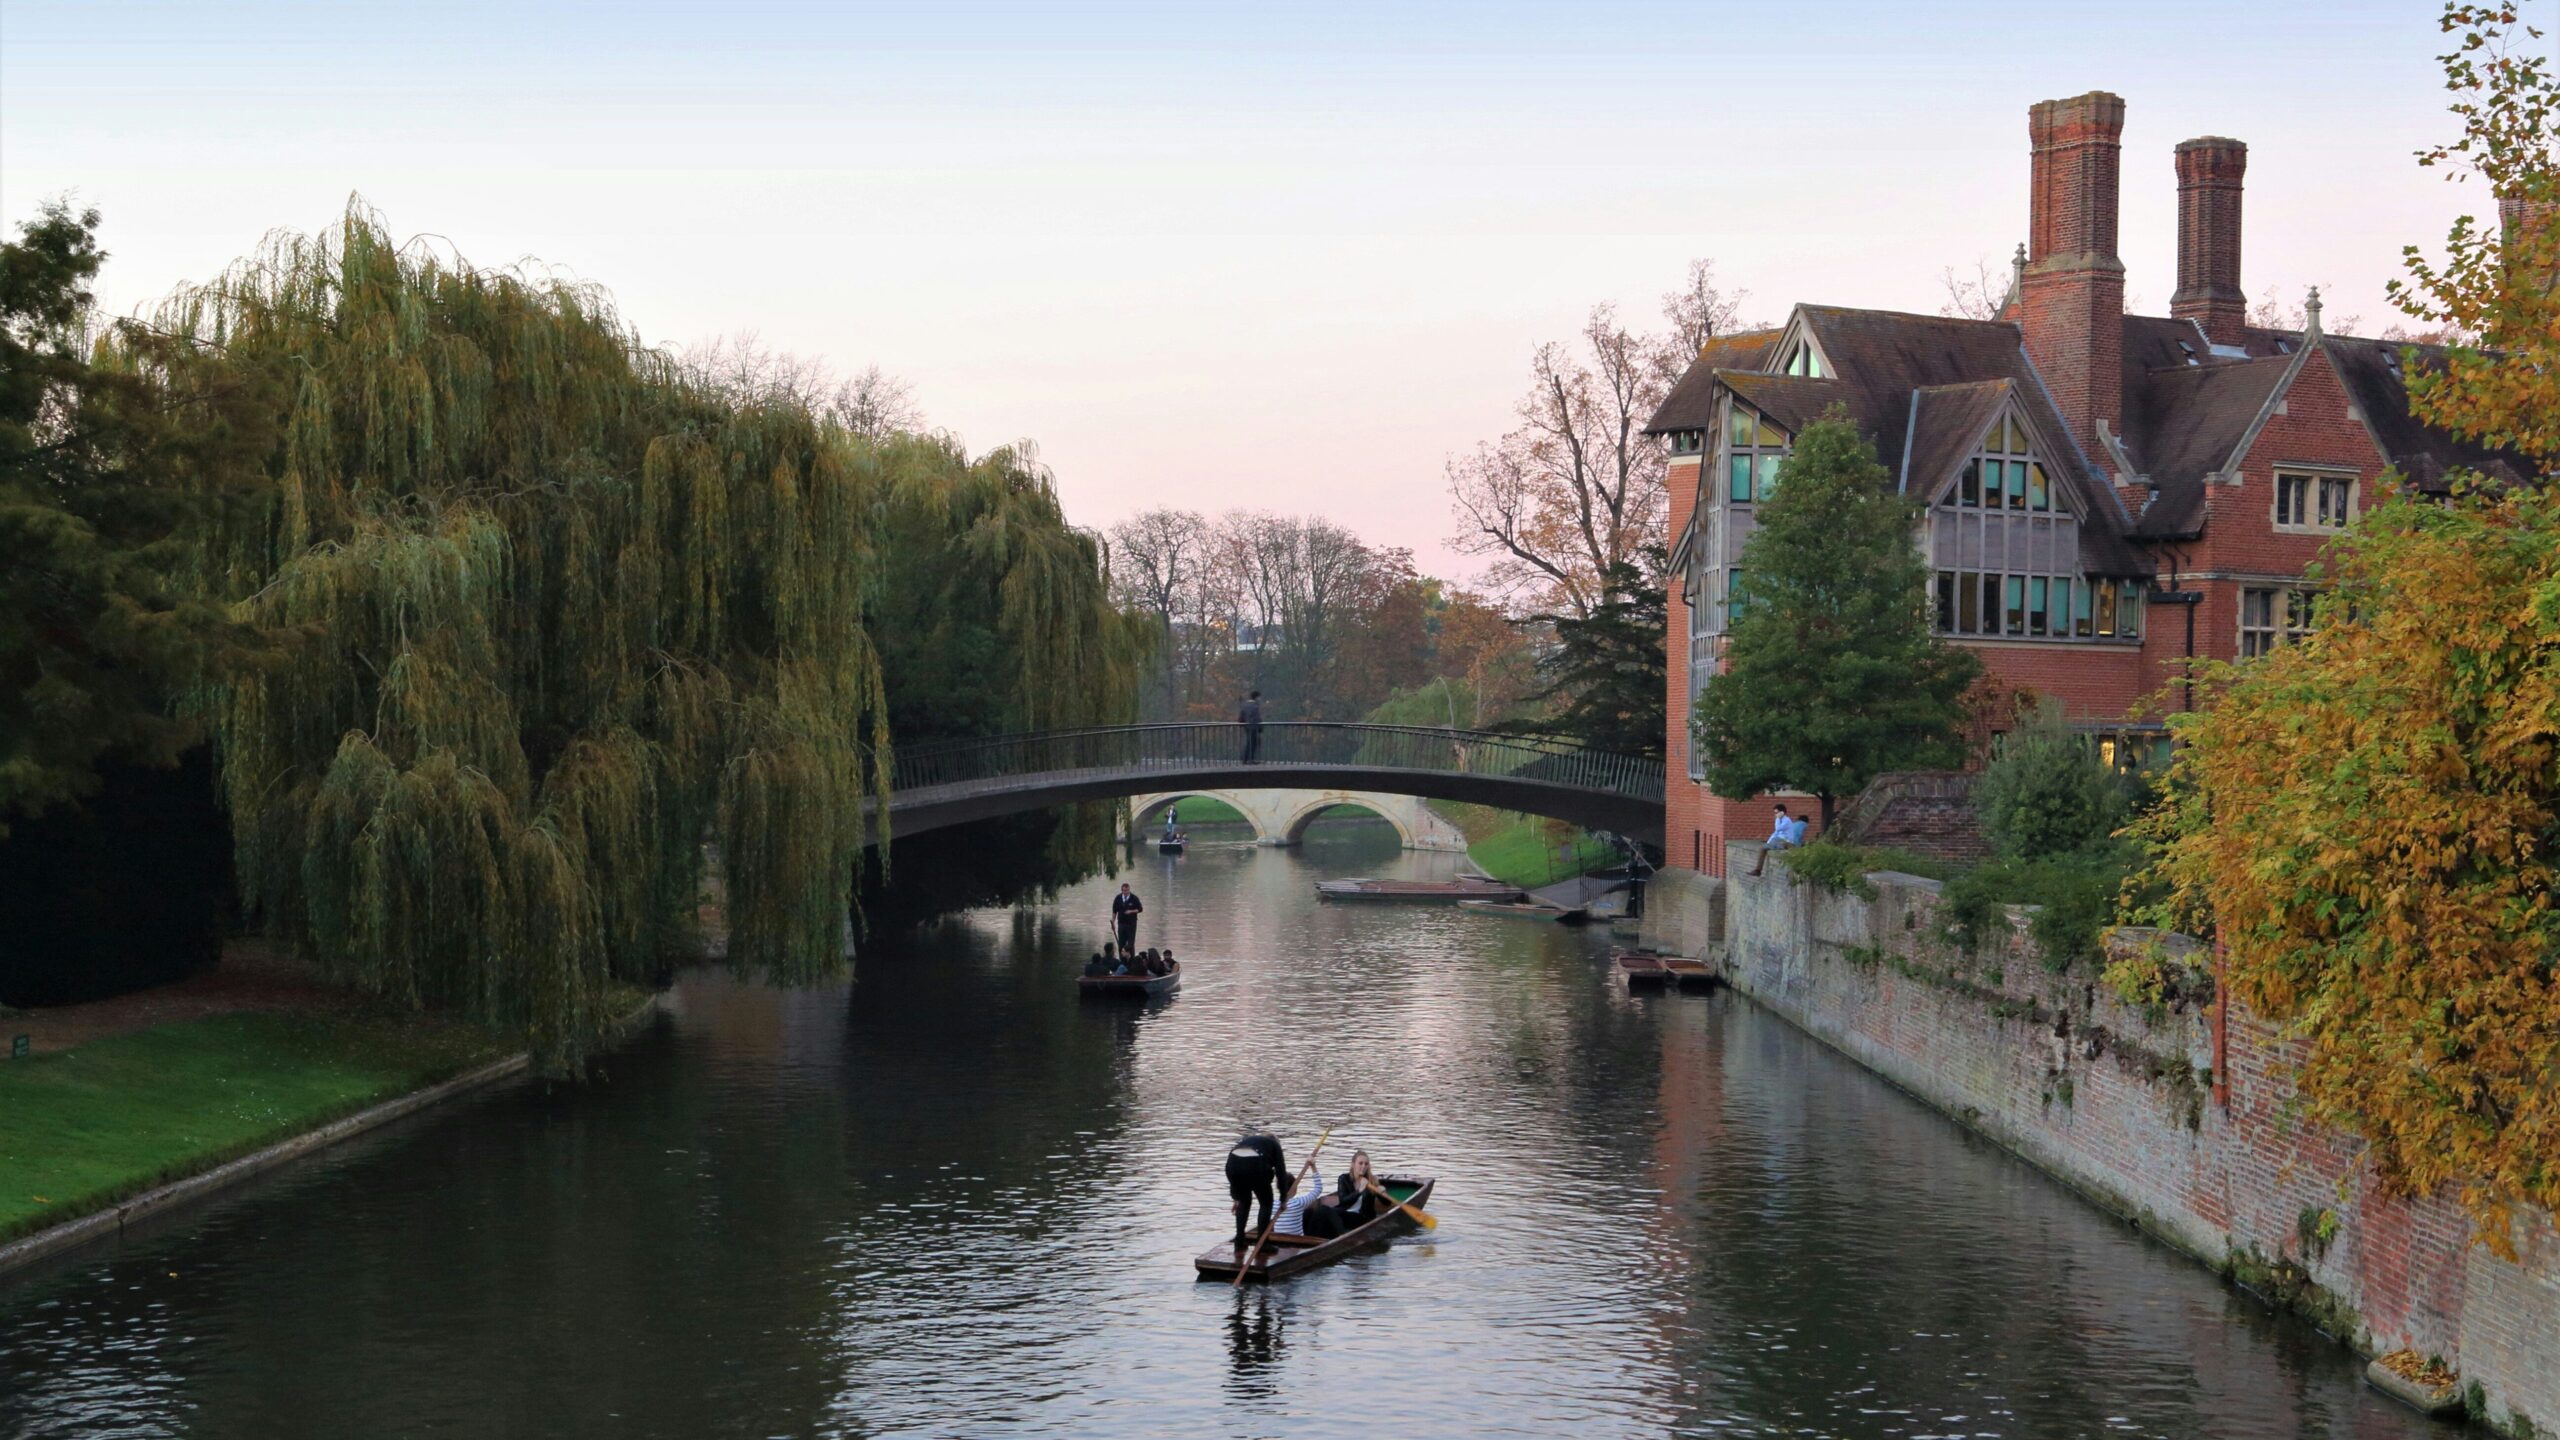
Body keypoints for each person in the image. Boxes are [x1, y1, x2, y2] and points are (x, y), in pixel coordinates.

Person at [1301, 1149, 1381, 1239]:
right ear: (1353, 1164)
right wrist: (1359, 1191)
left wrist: (1382, 1192)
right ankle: (1308, 1239)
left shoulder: (1372, 1181)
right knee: (1308, 1212)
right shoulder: (1344, 1178)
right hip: (1344, 1212)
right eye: (1360, 1163)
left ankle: (1341, 1237)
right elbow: (1343, 1201)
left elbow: (1387, 1203)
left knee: (1323, 1210)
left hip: (1361, 1218)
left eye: (1366, 1164)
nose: (1363, 1166)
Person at [1227, 1132, 1289, 1246]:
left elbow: (1233, 1172)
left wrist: (1236, 1198)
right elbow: (1281, 1173)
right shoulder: (1275, 1145)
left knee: (1244, 1202)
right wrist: (1283, 1198)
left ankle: (1239, 1240)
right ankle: (1263, 1244)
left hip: (1232, 1163)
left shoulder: (1249, 1140)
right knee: (1266, 1203)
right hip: (1255, 1165)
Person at [1748, 804, 1798, 876]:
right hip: (1778, 840)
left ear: (1782, 812)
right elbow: (1775, 833)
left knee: (1765, 847)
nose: (1775, 814)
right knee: (1763, 848)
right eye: (1774, 813)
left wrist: (1777, 819)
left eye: (1776, 812)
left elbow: (1777, 829)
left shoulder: (1787, 820)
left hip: (1786, 842)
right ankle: (1758, 870)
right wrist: (1768, 842)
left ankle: (1758, 870)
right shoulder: (1780, 820)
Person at [1111, 883, 1143, 954]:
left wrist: (1131, 911)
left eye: (1127, 890)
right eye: (1124, 890)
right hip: (1121, 923)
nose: (1126, 892)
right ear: (1122, 890)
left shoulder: (1134, 898)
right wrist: (1113, 922)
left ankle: (1131, 959)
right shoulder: (1118, 898)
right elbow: (1114, 911)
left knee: (1130, 943)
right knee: (1121, 943)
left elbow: (1140, 909)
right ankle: (1122, 959)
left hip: (1131, 924)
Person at [1238, 690, 1264, 764]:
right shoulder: (1255, 707)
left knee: (1249, 743)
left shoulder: (1245, 706)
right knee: (1253, 743)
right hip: (1254, 727)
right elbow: (1257, 718)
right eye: (1259, 697)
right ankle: (1249, 759)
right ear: (1256, 698)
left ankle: (1246, 759)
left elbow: (1241, 718)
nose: (1260, 699)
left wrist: (1243, 724)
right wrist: (1260, 728)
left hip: (1247, 727)